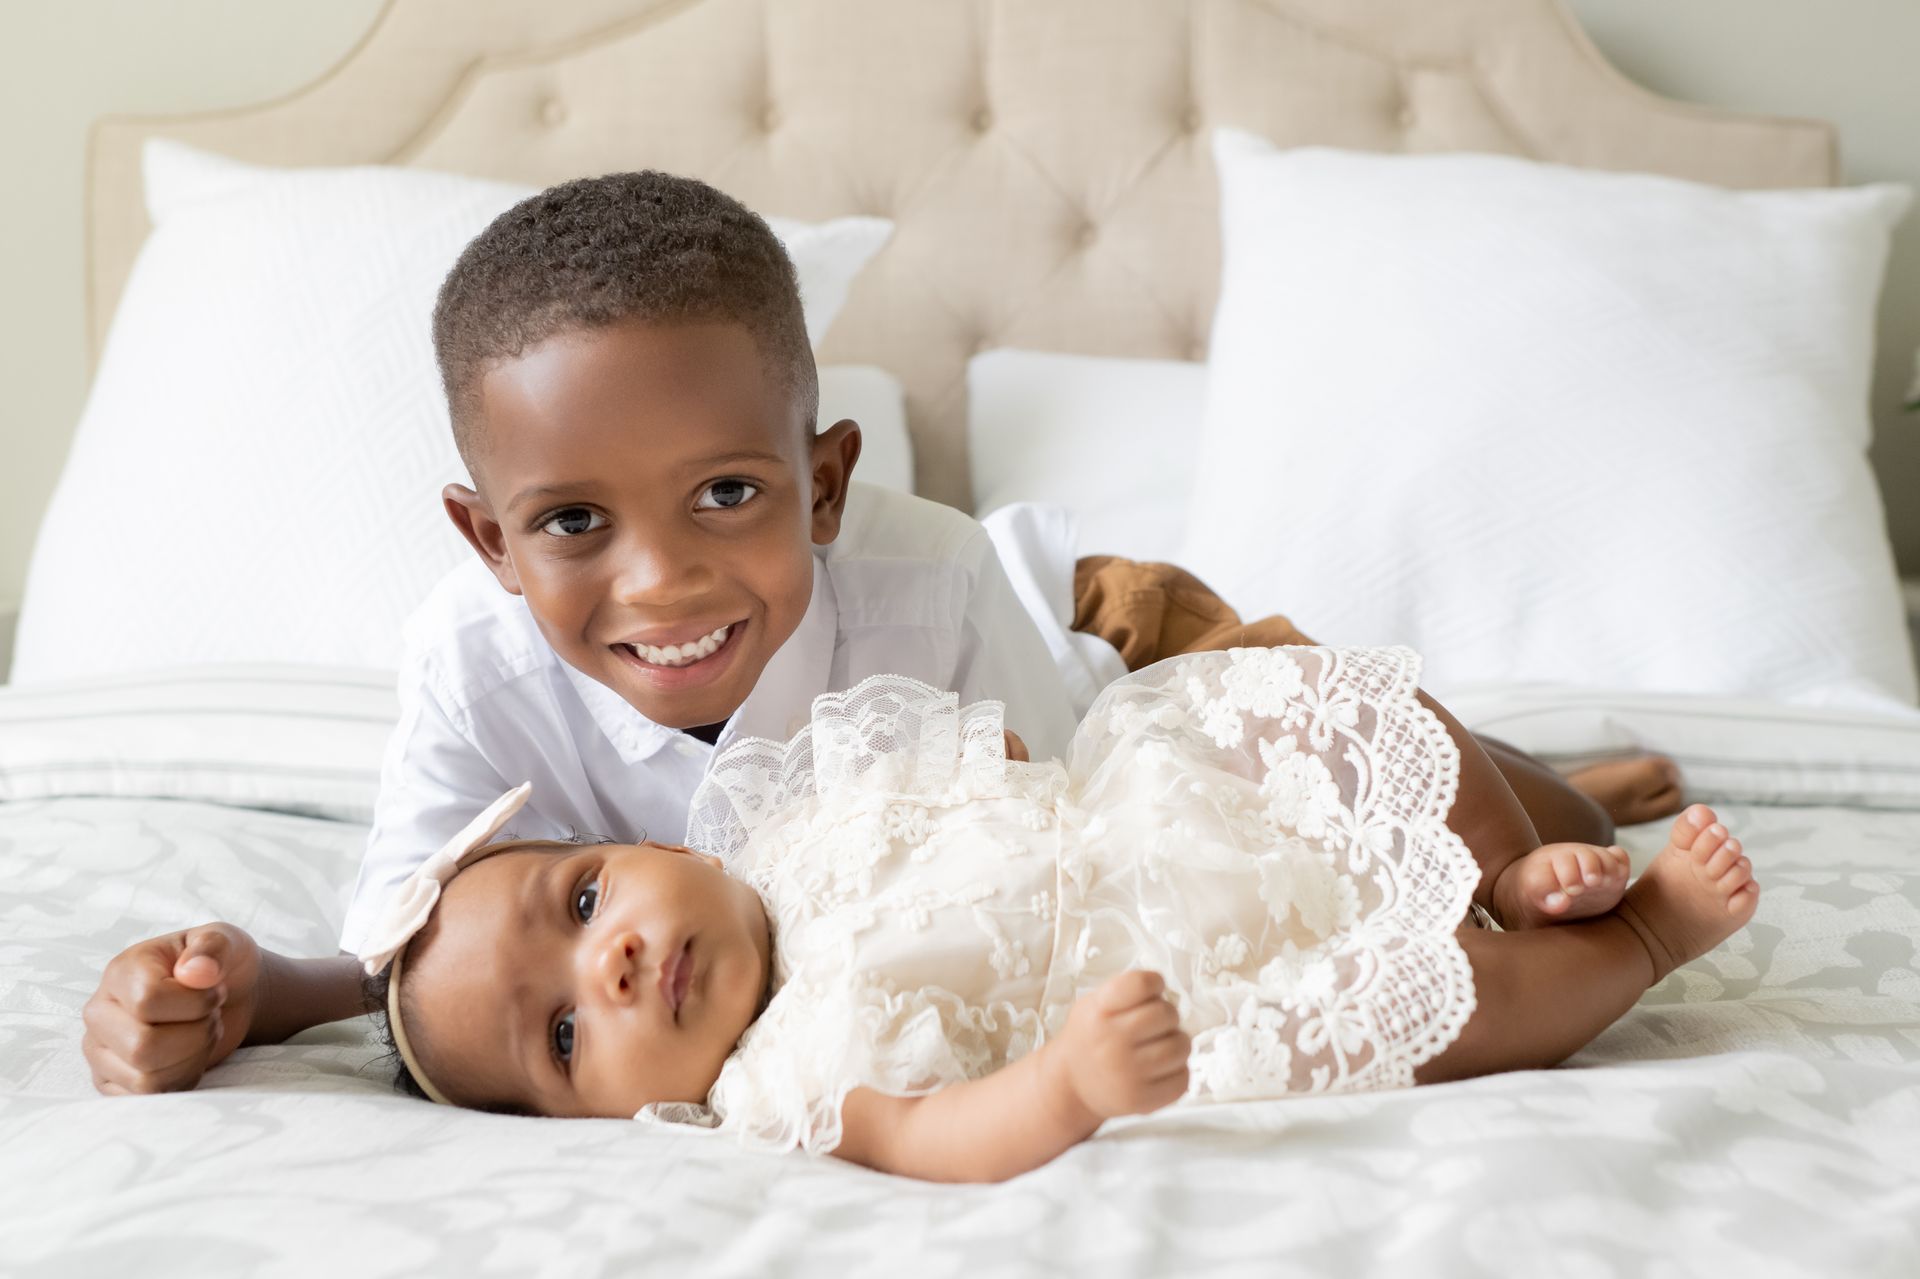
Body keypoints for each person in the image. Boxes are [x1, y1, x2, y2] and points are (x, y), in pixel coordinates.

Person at [78, 171, 1682, 1098]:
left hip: (1114, 670)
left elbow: (1116, 835)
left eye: (725, 491)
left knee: (1370, 760)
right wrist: (255, 998)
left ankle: (1552, 784)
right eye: (573, 523)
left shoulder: (923, 585)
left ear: (828, 482)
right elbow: (419, 944)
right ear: (486, 539)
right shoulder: (470, 667)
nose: (659, 586)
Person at [352, 649, 1759, 1184]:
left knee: (1317, 703)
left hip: (1161, 808)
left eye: (587, 899)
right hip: (1187, 973)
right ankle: (1640, 941)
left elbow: (973, 766)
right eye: (560, 1035)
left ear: (649, 837)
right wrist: (1067, 1085)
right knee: (1422, 1011)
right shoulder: (784, 1085)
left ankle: (1512, 867)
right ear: (602, 1120)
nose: (610, 962)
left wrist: (1009, 785)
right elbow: (933, 1136)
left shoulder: (795, 814)